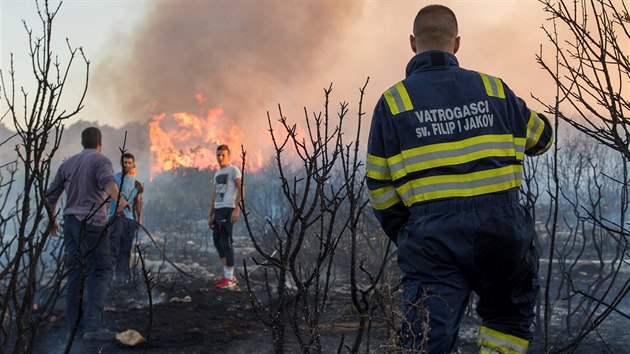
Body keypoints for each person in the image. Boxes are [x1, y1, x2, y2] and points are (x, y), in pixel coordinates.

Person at [365, 5, 553, 353]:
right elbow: (542, 139)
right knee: (508, 323)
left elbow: (379, 186)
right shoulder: (494, 89)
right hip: (503, 234)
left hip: (433, 241)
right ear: (457, 43)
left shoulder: (393, 102)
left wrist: (407, 233)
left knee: (428, 337)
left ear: (412, 43)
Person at [46, 127, 129, 341]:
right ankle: (94, 327)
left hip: (70, 224)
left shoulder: (68, 164)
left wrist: (51, 220)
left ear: (83, 143)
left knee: (75, 273)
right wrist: (119, 201)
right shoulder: (101, 161)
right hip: (91, 224)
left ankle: (74, 328)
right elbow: (109, 183)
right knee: (100, 270)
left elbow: (51, 195)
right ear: (99, 143)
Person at [207, 144, 244, 289]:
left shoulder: (233, 170)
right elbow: (214, 194)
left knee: (225, 241)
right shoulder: (217, 173)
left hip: (229, 208)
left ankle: (230, 278)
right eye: (218, 155)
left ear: (228, 156)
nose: (220, 158)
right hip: (218, 209)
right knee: (217, 242)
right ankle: (227, 275)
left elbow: (241, 188)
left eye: (223, 155)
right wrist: (210, 214)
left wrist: (237, 209)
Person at [107, 152, 143, 284]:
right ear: (121, 163)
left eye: (129, 162)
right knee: (113, 249)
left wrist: (139, 219)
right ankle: (108, 280)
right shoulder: (114, 179)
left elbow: (138, 203)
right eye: (125, 162)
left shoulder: (137, 184)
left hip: (129, 220)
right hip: (114, 218)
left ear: (133, 164)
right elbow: (106, 199)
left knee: (126, 249)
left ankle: (122, 279)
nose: (127, 165)